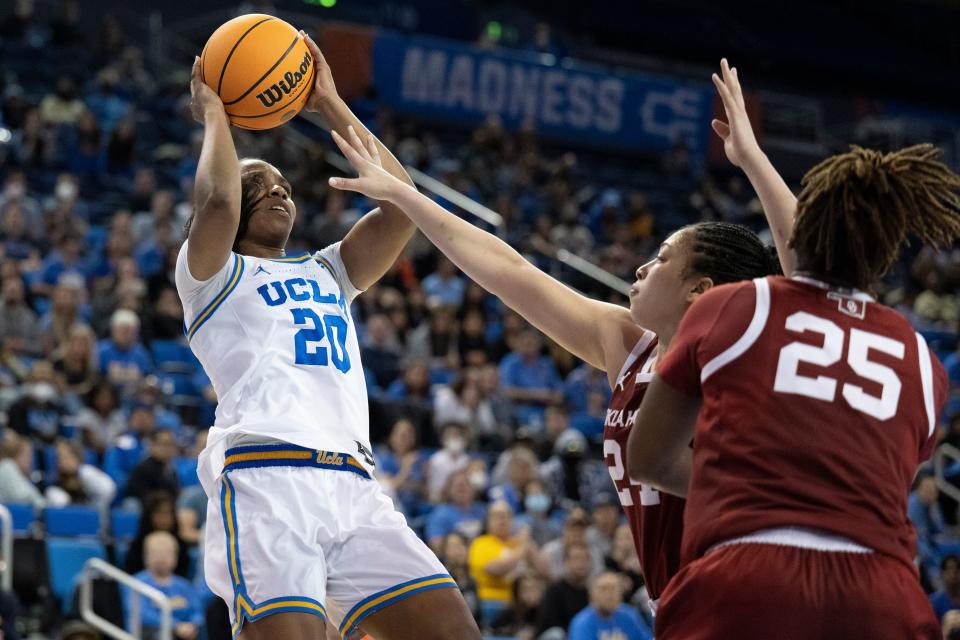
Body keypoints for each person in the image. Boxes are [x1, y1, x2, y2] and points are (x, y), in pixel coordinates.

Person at [326, 59, 793, 605]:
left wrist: (754, 163)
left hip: (748, 596)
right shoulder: (627, 345)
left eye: (663, 258)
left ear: (700, 288)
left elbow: (813, 280)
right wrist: (406, 196)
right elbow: (509, 271)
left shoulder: (738, 363)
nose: (642, 268)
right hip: (678, 600)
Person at [178, 33, 477, 640]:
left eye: (284, 186)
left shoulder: (328, 270)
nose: (277, 191)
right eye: (258, 186)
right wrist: (217, 115)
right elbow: (213, 202)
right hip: (267, 476)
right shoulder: (210, 274)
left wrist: (330, 104)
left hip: (354, 486)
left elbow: (402, 207)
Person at [627, 141, 959, 634]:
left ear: (804, 230)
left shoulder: (738, 304)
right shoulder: (923, 359)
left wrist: (754, 488)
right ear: (886, 250)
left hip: (749, 576)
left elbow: (647, 458)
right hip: (879, 594)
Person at [468, 501, 548, 624]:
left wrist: (530, 545)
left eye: (506, 516)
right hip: (493, 603)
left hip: (525, 604)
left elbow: (544, 572)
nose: (502, 520)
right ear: (488, 520)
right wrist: (523, 547)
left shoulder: (519, 542)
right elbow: (495, 568)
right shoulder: (481, 543)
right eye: (497, 516)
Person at [127, 531, 204, 640]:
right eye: (156, 553)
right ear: (145, 556)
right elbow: (141, 614)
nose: (161, 558)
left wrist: (193, 625)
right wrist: (175, 626)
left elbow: (197, 611)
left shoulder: (183, 585)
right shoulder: (136, 583)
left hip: (185, 632)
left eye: (167, 553)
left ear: (175, 558)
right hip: (150, 632)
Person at [568, 571, 651, 640]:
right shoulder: (581, 623)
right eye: (603, 589)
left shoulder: (629, 614)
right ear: (591, 595)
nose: (609, 593)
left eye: (614, 588)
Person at [124, 493, 191, 578]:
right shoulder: (137, 546)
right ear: (149, 515)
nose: (164, 518)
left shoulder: (181, 545)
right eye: (159, 513)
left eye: (168, 513)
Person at [537, 542, 592, 635]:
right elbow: (551, 624)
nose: (580, 564)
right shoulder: (554, 590)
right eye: (576, 558)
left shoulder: (591, 593)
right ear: (566, 562)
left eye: (584, 559)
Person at [426, 470, 486, 552]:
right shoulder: (440, 514)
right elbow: (436, 544)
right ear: (449, 491)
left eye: (465, 485)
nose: (461, 488)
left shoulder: (482, 510)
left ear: (472, 489)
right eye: (457, 487)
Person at [931, 555, 960, 623]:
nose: (953, 573)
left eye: (957, 569)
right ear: (942, 573)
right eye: (949, 569)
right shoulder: (934, 602)